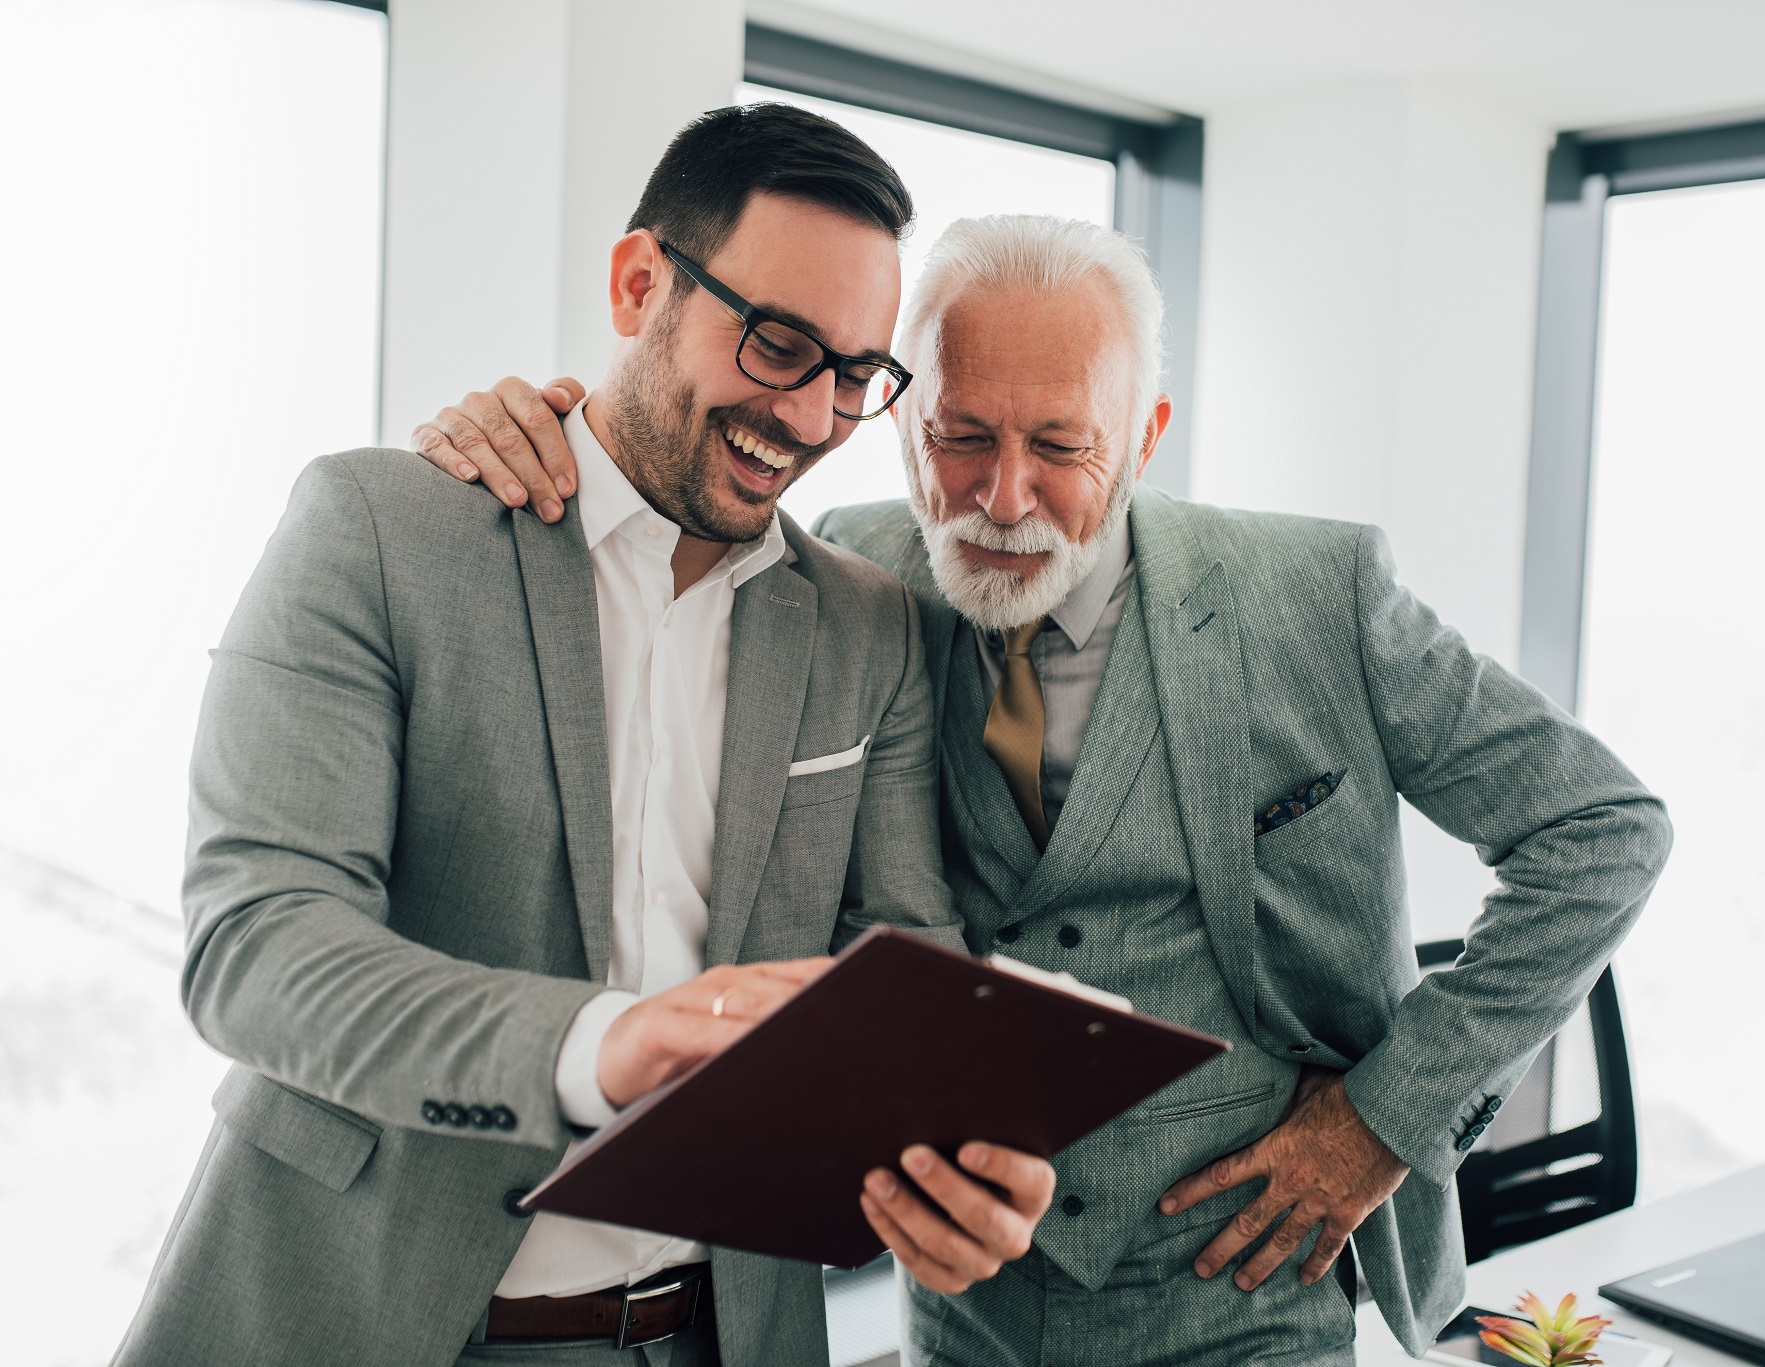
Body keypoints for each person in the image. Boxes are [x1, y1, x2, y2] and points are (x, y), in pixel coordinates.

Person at [415, 212, 1672, 1366]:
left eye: (1060, 446)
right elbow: (657, 490)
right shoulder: (841, 572)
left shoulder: (1319, 593)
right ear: (898, 418)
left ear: (1144, 434)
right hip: (963, 1306)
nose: (1000, 498)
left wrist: (1383, 1117)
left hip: (1255, 1292)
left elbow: (1600, 831)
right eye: (958, 437)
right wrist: (530, 429)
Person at [116, 106, 1055, 1367]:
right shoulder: (378, 530)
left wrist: (958, 1146)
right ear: (637, 284)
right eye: (777, 344)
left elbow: (895, 963)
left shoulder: (868, 623)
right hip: (356, 1313)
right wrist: (605, 1043)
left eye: (854, 373)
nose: (813, 416)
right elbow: (257, 944)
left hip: (711, 1334)